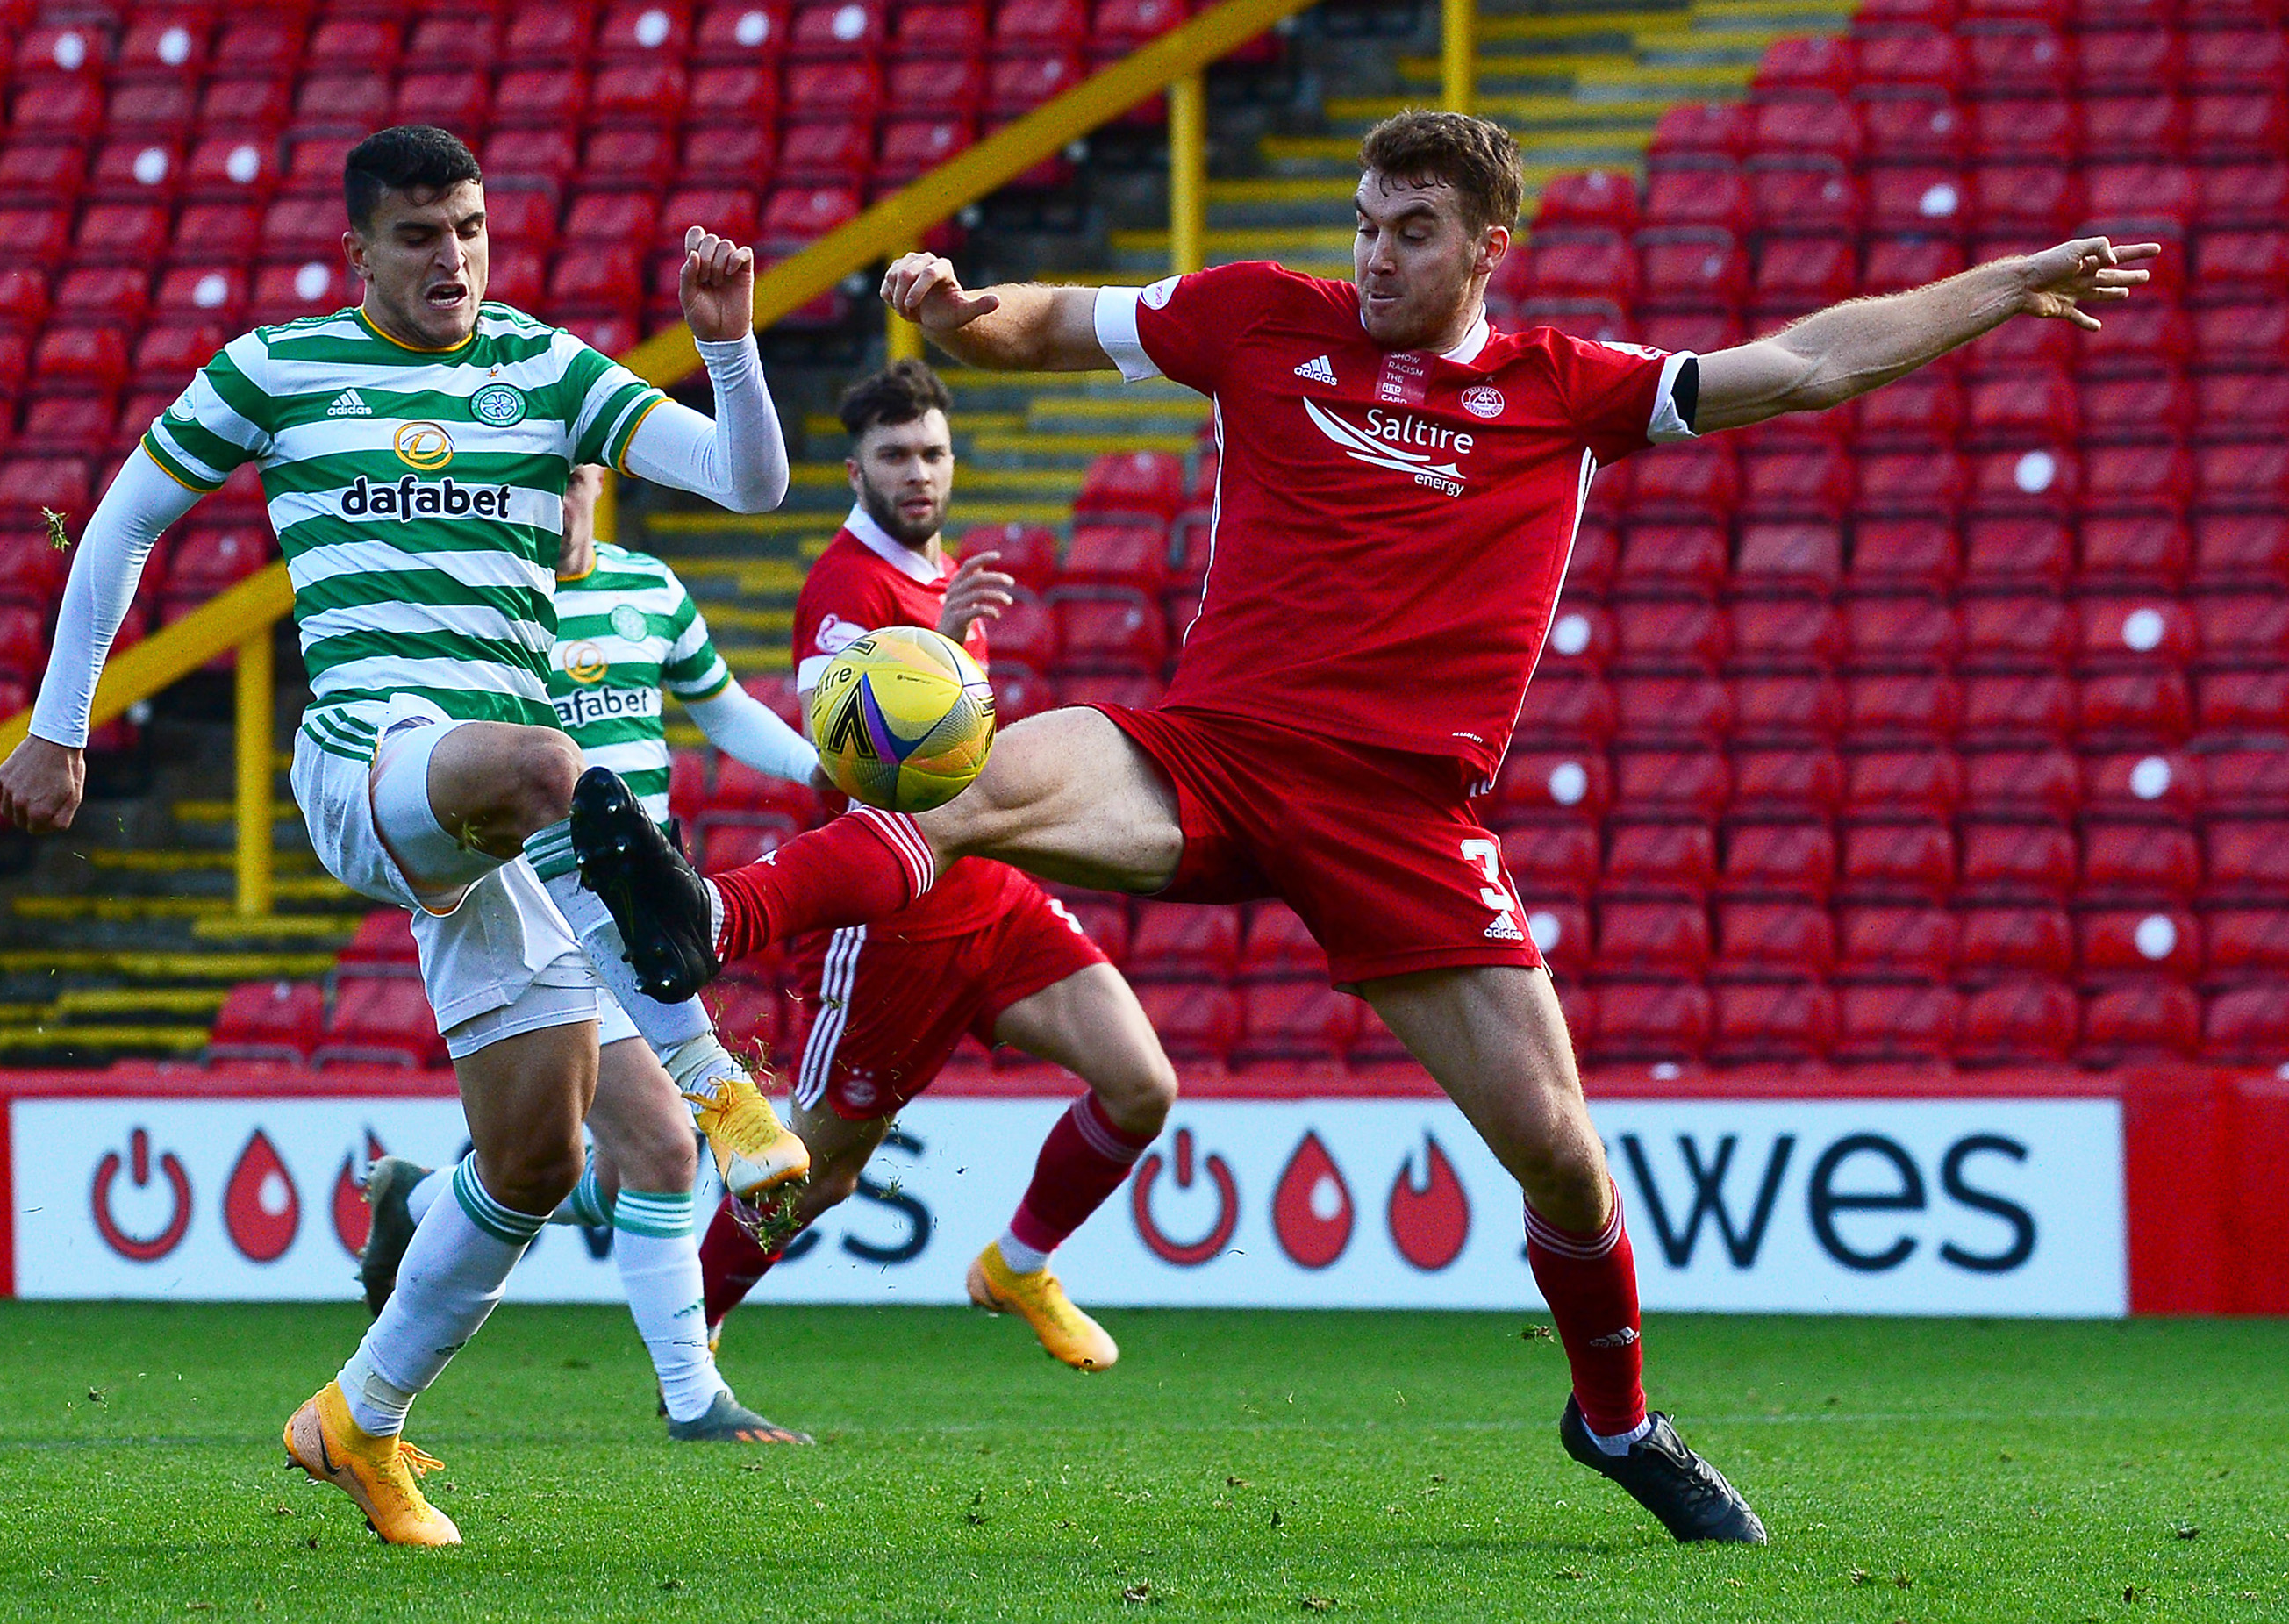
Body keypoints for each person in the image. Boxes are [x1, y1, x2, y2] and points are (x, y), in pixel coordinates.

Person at [569, 110, 2158, 1545]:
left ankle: (1613, 1419)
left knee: (1560, 1158)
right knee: (971, 779)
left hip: (1403, 816)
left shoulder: (1562, 389)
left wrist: (2002, 287)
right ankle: (715, 925)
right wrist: (958, 316)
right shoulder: (1265, 317)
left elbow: (1810, 361)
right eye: (1364, 219)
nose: (1375, 252)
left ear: (1485, 245)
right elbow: (1053, 323)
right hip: (1210, 750)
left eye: (1411, 229)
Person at [0, 125, 802, 1545]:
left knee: (541, 1155)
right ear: (359, 250)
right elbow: (117, 527)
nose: (456, 258)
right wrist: (61, 725)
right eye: (423, 237)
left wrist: (727, 349)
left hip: (495, 832)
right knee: (555, 760)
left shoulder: (544, 368)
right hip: (369, 762)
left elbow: (747, 485)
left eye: (473, 229)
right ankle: (703, 1043)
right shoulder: (274, 368)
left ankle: (359, 1419)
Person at [691, 361, 1178, 1372]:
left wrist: (946, 641)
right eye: (895, 456)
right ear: (855, 470)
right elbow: (844, 755)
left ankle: (1018, 1265)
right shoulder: (846, 588)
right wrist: (935, 647)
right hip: (891, 927)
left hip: (991, 897)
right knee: (811, 1178)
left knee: (1141, 1085)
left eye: (933, 453)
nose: (919, 473)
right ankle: (684, 1339)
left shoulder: (943, 579)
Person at [360, 462, 824, 1445]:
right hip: (539, 911)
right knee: (661, 1146)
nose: (558, 504)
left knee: (585, 1166)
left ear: (595, 487)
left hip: (643, 919)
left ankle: (424, 1197)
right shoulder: (481, 612)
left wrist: (815, 767)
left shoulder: (648, 588)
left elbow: (723, 704)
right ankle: (695, 1398)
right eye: (534, 486)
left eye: (572, 482)